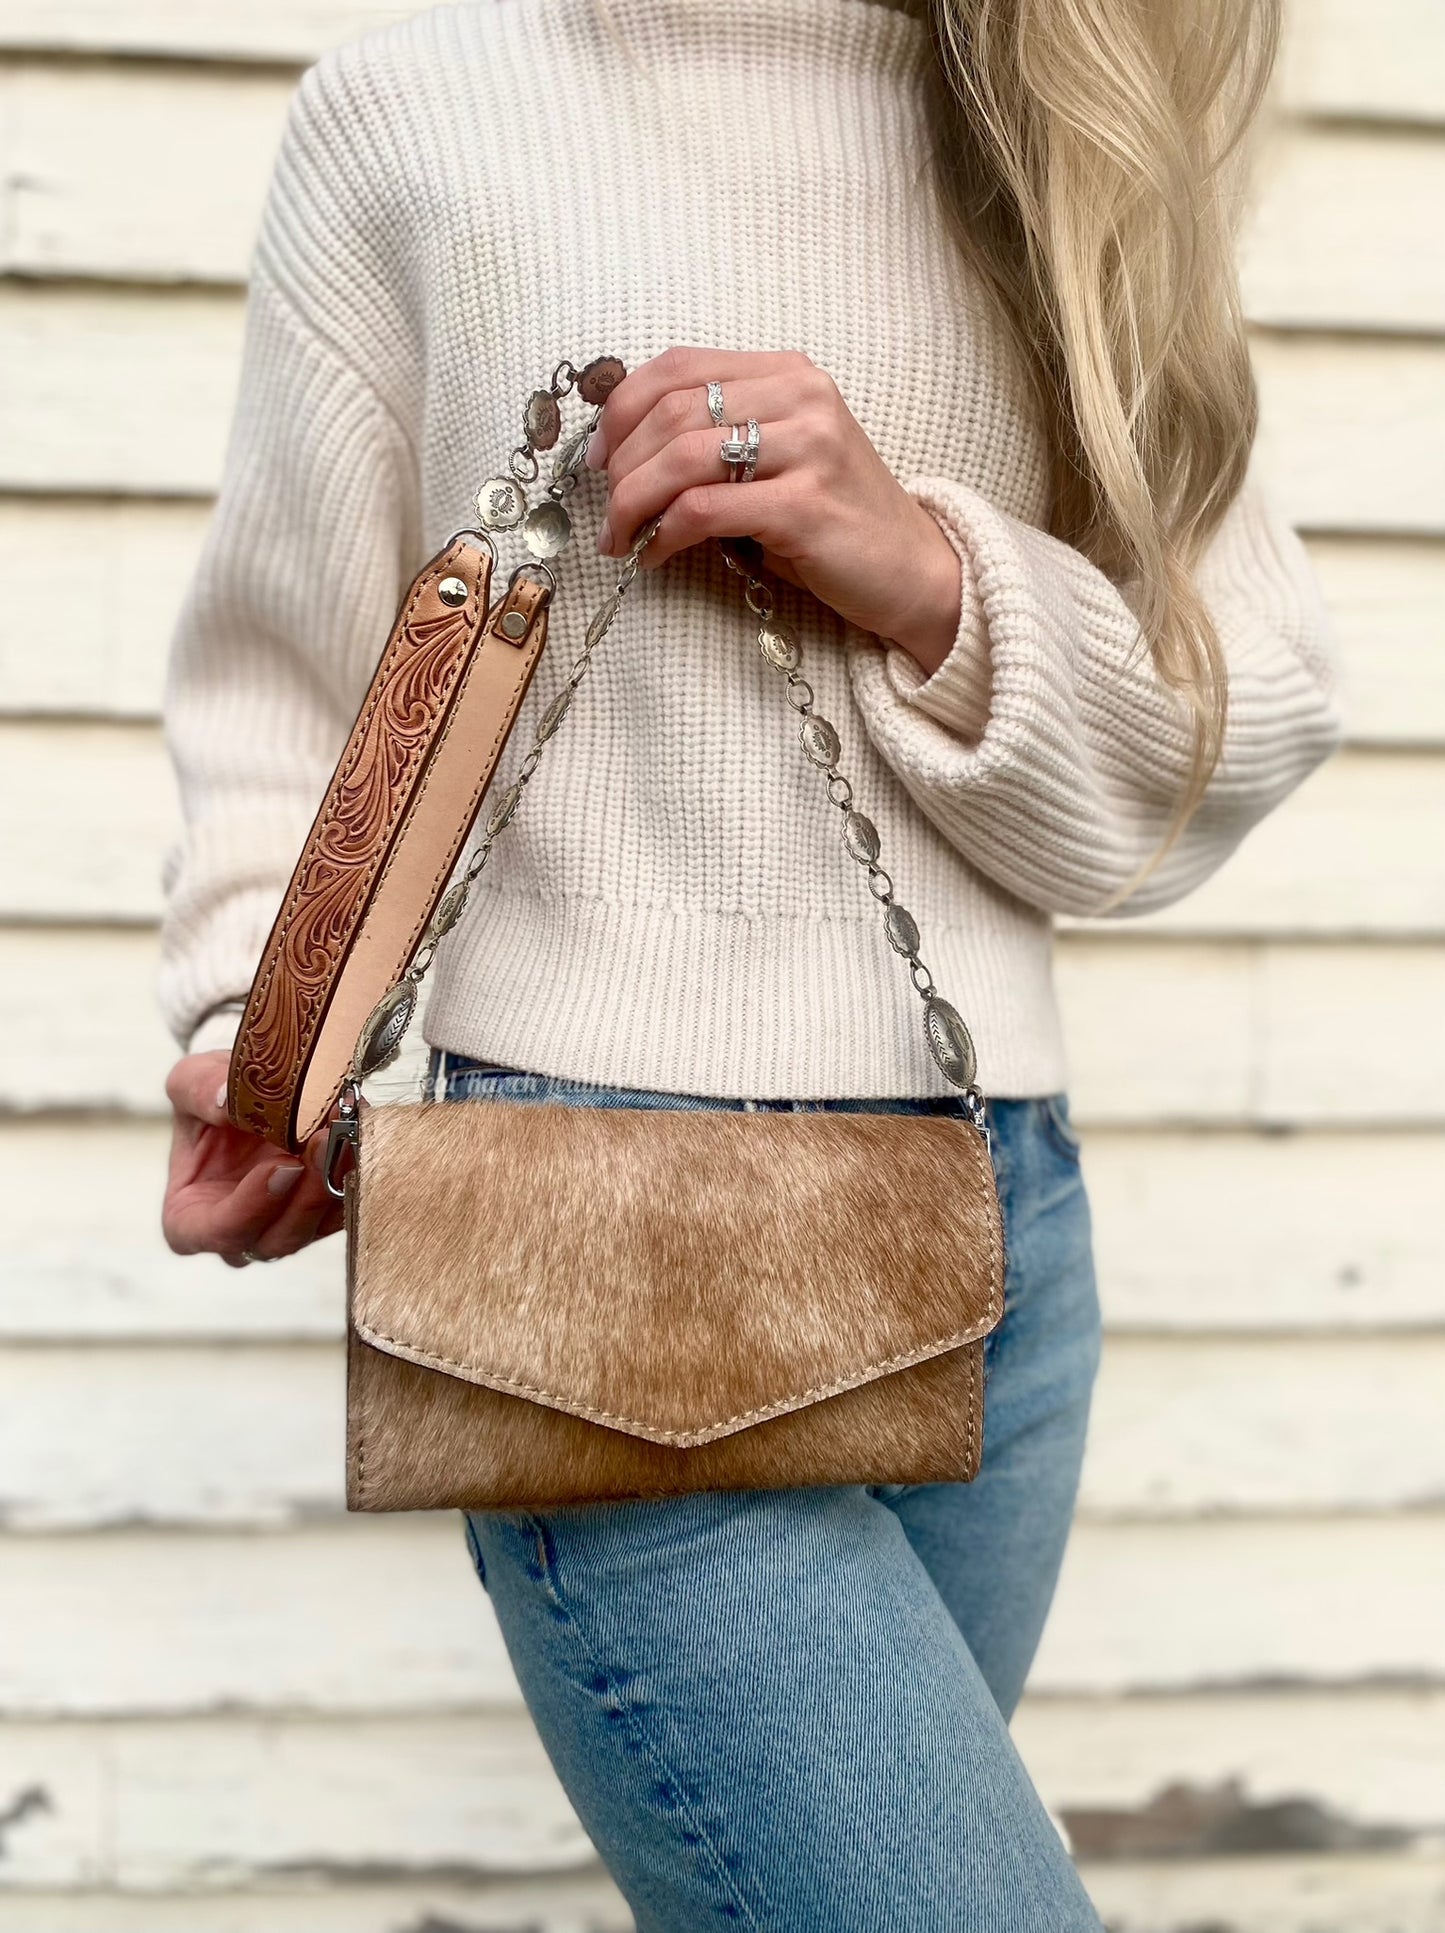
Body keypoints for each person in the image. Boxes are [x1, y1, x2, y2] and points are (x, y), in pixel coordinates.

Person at [157, 0, 1341, 1924]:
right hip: (590, 1236)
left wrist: (934, 576)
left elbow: (1241, 719)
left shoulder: (1061, 130)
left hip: (993, 1224)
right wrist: (266, 1029)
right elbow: (287, 677)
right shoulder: (416, 119)